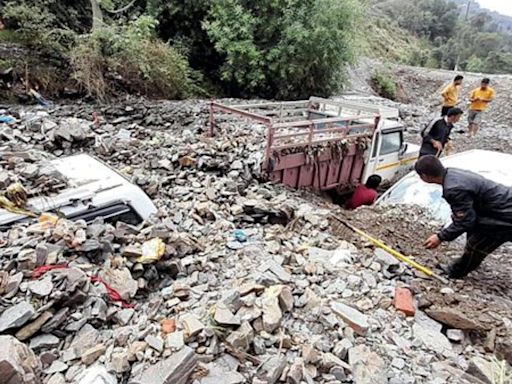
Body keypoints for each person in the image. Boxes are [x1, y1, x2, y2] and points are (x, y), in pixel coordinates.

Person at [415, 155, 512, 279]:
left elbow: (466, 221)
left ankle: (455, 272)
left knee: (477, 244)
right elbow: (468, 215)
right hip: (500, 207)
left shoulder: (453, 189)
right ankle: (471, 262)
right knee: (476, 231)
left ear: (425, 176)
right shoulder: (452, 173)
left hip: (505, 214)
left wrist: (440, 237)